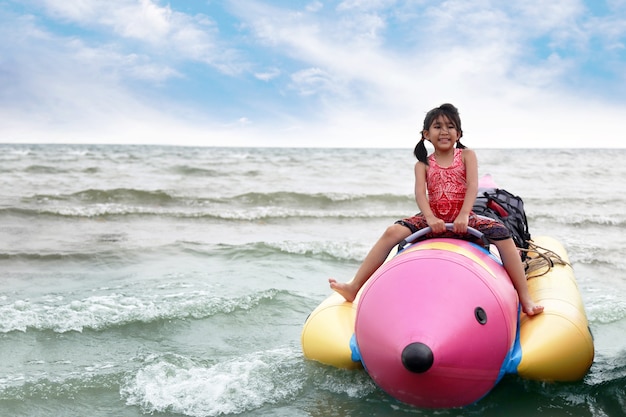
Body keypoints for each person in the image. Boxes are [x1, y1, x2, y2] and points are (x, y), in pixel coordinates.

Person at [329, 103, 544, 316]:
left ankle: (525, 298)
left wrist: (463, 215)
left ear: (458, 134)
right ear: (426, 134)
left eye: (450, 127)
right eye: (437, 126)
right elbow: (421, 194)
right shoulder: (423, 164)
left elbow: (472, 186)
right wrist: (430, 218)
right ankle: (354, 286)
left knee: (504, 236)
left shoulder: (467, 155)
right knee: (391, 232)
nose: (444, 131)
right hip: (432, 220)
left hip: (464, 218)